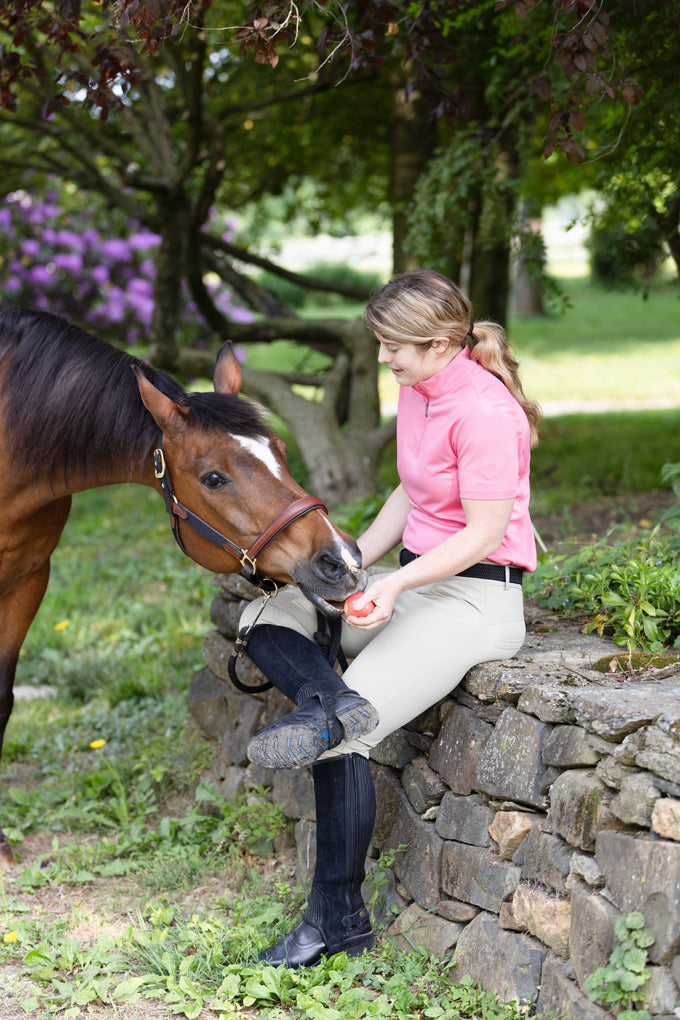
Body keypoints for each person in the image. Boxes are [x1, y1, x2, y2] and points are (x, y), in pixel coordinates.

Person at [239, 268, 541, 969]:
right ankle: (335, 704)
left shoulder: (487, 414)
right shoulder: (419, 391)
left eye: (393, 348)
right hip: (414, 582)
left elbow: (483, 533)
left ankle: (335, 926)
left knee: (343, 744)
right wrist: (348, 571)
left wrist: (396, 584)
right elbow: (411, 491)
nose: (383, 360)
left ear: (440, 343)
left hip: (473, 600)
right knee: (265, 612)